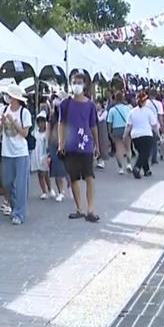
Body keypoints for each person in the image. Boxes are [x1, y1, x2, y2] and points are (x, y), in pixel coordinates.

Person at [59, 73, 100, 223]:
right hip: (70, 146)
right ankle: (79, 208)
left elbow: (93, 125)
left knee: (89, 176)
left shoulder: (90, 105)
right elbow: (61, 124)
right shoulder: (65, 104)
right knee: (74, 177)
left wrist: (97, 144)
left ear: (84, 84)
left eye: (79, 82)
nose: (76, 84)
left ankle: (90, 209)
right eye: (74, 82)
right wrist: (61, 142)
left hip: (86, 144)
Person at [0, 84, 32, 226]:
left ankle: (19, 213)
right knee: (7, 183)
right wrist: (2, 123)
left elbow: (24, 133)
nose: (8, 98)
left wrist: (13, 122)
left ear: (15, 99)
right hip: (7, 152)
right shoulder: (3, 110)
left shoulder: (24, 113)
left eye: (10, 96)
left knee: (22, 184)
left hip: (21, 153)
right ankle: (14, 205)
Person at [125, 92, 160, 179]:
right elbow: (154, 125)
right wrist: (158, 134)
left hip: (135, 136)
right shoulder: (149, 111)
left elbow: (129, 125)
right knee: (145, 153)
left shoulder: (132, 112)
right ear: (145, 101)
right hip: (147, 134)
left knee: (142, 153)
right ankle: (137, 167)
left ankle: (147, 170)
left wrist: (125, 134)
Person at [46, 98, 69, 202]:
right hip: (54, 145)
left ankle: (70, 186)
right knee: (56, 170)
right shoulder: (52, 117)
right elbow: (48, 130)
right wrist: (48, 144)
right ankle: (61, 191)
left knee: (67, 168)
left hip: (65, 145)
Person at [107, 91, 133, 174]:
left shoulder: (112, 110)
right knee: (128, 148)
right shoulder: (128, 108)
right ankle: (129, 164)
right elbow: (130, 120)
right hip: (126, 128)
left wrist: (110, 132)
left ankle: (120, 168)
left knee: (118, 150)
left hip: (116, 129)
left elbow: (109, 122)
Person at [32, 112, 51, 200]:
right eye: (39, 122)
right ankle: (44, 191)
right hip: (36, 154)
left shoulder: (47, 134)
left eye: (42, 122)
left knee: (46, 173)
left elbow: (48, 145)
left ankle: (50, 189)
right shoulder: (34, 133)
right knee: (40, 174)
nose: (41, 124)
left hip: (44, 155)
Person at [149, 90, 164, 164]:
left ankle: (147, 155)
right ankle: (154, 158)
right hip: (155, 125)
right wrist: (162, 126)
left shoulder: (145, 103)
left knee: (147, 141)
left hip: (146, 125)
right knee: (154, 142)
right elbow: (160, 116)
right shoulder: (159, 104)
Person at [95, 100, 109, 170]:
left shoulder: (105, 112)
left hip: (102, 130)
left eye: (98, 104)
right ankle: (98, 160)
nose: (97, 105)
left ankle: (102, 161)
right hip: (96, 129)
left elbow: (100, 119)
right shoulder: (95, 112)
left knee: (102, 144)